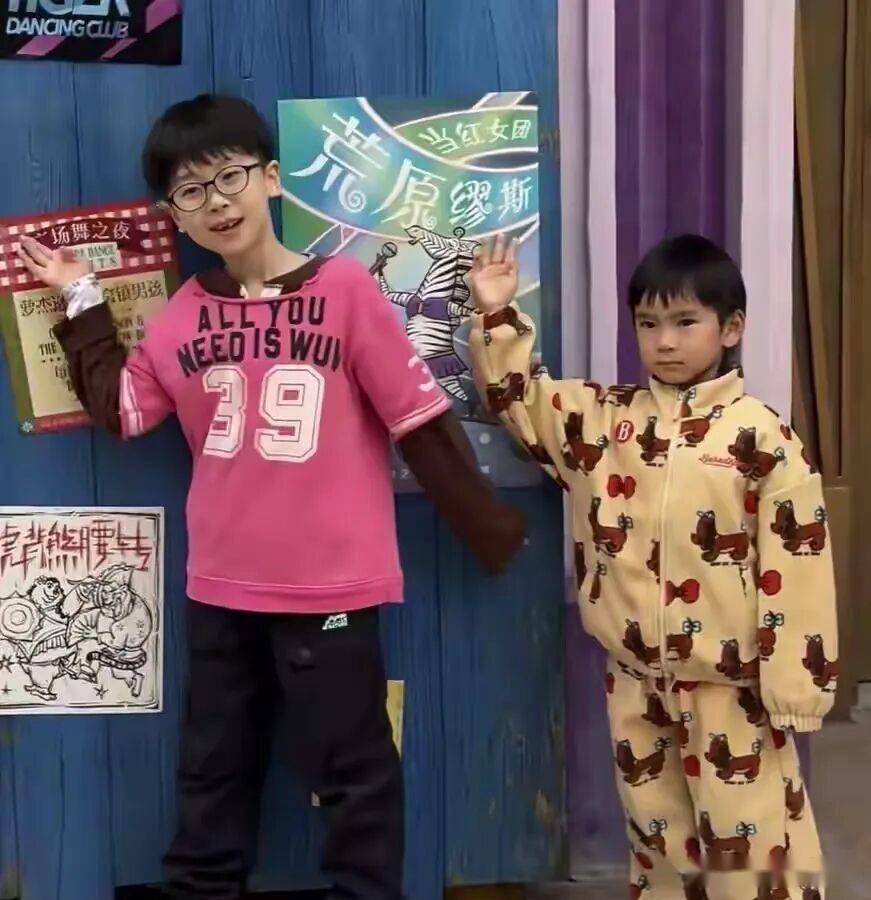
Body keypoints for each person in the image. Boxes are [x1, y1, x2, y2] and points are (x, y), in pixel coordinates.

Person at [15, 94, 524, 900]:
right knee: (212, 771)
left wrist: (491, 529)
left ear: (272, 177)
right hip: (221, 589)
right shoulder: (183, 314)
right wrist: (82, 298)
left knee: (353, 774)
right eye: (190, 190)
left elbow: (418, 421)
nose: (216, 201)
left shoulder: (347, 289)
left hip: (332, 588)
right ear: (173, 215)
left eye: (230, 176)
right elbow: (125, 411)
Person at [468, 233, 836, 899]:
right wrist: (496, 313)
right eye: (647, 324)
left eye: (685, 322)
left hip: (730, 688)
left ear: (730, 328)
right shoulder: (603, 423)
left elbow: (798, 563)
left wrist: (795, 685)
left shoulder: (760, 439)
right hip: (635, 682)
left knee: (750, 848)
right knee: (658, 840)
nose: (664, 342)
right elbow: (518, 399)